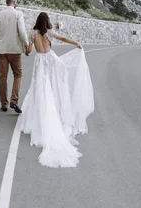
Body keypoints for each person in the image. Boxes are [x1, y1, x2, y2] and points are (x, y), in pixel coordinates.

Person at [20, 12, 94, 168]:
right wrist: (76, 43)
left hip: (40, 61)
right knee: (55, 85)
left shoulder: (33, 33)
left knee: (41, 87)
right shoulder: (49, 32)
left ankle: (42, 112)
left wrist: (27, 50)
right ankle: (56, 108)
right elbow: (62, 38)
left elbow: (28, 50)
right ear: (47, 21)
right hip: (50, 59)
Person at [0, 0, 28, 113]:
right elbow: (22, 31)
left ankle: (4, 104)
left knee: (3, 77)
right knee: (18, 75)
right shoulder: (18, 14)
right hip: (15, 50)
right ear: (14, 2)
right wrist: (26, 44)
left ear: (6, 2)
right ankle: (14, 100)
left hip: (2, 50)